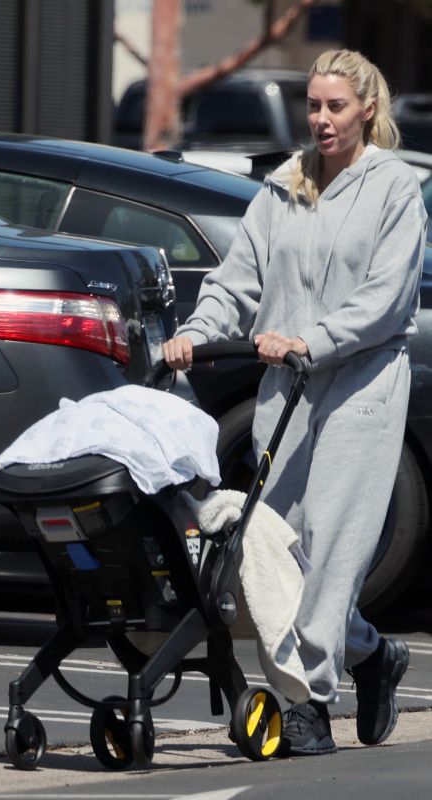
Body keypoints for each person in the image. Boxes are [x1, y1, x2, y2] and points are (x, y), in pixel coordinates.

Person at [162, 49, 427, 756]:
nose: (320, 119)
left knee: (333, 554)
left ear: (366, 107)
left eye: (333, 106)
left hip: (360, 389)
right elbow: (236, 279)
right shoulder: (282, 188)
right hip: (287, 395)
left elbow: (385, 299)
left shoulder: (394, 189)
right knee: (281, 555)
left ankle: (306, 699)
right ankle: (371, 653)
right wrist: (195, 331)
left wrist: (309, 339)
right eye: (312, 106)